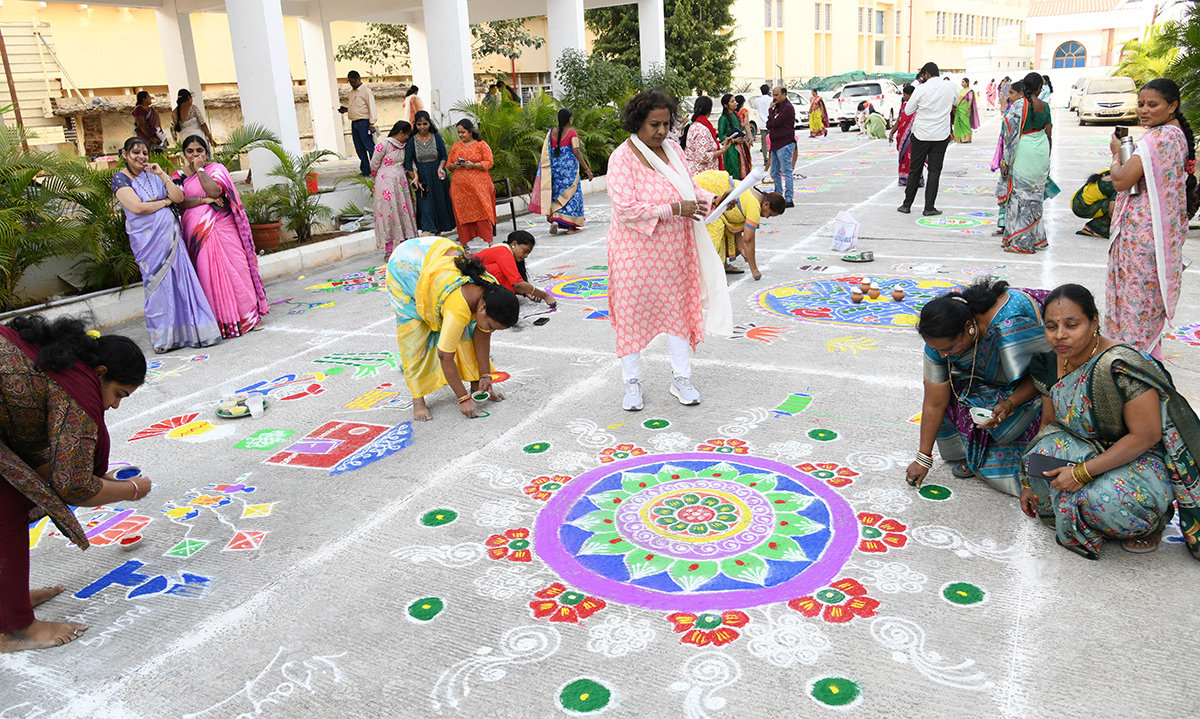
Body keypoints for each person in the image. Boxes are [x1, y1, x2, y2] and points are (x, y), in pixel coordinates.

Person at [0, 315, 150, 652]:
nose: (114, 404)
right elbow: (74, 488)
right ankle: (14, 628)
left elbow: (31, 451)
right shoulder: (76, 392)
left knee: (16, 491)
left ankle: (8, 604)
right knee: (6, 508)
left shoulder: (57, 363)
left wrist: (94, 478)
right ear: (99, 373)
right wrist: (132, 489)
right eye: (117, 393)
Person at [1020, 284, 1200, 560]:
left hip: (1137, 458)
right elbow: (1050, 424)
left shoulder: (1119, 365)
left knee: (1104, 502)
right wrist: (1029, 483)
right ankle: (1084, 509)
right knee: (1039, 459)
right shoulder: (1048, 363)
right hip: (1086, 447)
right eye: (1051, 326)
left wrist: (1082, 473)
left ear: (1094, 323)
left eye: (1071, 324)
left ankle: (1151, 523)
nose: (1060, 335)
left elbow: (1146, 436)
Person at [606, 89, 733, 411]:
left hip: (675, 251)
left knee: (678, 314)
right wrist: (674, 208)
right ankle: (631, 383)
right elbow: (626, 209)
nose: (661, 131)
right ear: (637, 123)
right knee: (632, 316)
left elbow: (689, 185)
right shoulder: (622, 157)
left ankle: (682, 378)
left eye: (666, 124)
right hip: (634, 252)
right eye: (654, 125)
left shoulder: (673, 149)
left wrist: (707, 199)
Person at [906, 278, 1050, 497]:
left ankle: (1022, 470)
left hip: (1042, 375)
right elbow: (935, 402)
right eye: (938, 349)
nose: (944, 354)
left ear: (968, 328)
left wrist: (1010, 403)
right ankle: (975, 455)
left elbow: (1045, 373)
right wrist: (923, 458)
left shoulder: (1008, 325)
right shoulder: (938, 346)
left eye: (950, 348)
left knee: (1034, 416)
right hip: (1000, 381)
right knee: (956, 393)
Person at [1106, 77, 1198, 359]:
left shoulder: (1159, 138)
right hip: (1152, 234)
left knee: (1136, 305)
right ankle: (1140, 361)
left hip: (1143, 236)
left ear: (1172, 106)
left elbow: (1121, 180)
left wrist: (1115, 155)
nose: (1144, 110)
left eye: (1153, 104)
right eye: (1141, 104)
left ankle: (1135, 367)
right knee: (1144, 304)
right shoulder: (1175, 134)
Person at [386, 237, 519, 422]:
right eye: (491, 326)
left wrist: (485, 375)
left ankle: (476, 385)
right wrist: (462, 399)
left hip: (436, 254)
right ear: (482, 308)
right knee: (415, 336)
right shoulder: (458, 307)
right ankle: (418, 399)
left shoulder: (491, 290)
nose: (490, 331)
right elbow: (444, 356)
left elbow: (481, 335)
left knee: (471, 328)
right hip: (407, 266)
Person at [112, 137, 221, 353]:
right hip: (148, 245)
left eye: (144, 152)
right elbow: (137, 207)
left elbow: (178, 196)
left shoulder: (153, 175)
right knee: (157, 288)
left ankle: (196, 333)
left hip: (172, 241)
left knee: (183, 282)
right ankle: (164, 339)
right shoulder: (120, 179)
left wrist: (161, 174)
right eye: (136, 153)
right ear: (124, 155)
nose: (141, 157)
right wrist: (164, 203)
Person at [173, 136, 269, 339]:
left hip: (223, 228)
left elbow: (215, 190)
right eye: (190, 151)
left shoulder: (216, 170)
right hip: (198, 235)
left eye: (199, 150)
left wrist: (200, 170)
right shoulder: (179, 176)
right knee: (209, 276)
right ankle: (224, 323)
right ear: (184, 154)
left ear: (206, 153)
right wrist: (204, 200)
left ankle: (249, 317)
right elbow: (180, 201)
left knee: (238, 269)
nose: (195, 154)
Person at [694, 170, 785, 280]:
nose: (767, 217)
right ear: (766, 204)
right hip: (707, 189)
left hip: (707, 181)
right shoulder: (755, 207)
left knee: (721, 227)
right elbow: (748, 239)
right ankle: (705, 272)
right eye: (769, 214)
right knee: (715, 234)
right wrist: (754, 270)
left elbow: (736, 221)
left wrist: (742, 248)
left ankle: (721, 266)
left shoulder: (757, 194)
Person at [998, 72, 1053, 254]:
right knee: (1035, 198)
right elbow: (1049, 134)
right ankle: (1036, 239)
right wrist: (1047, 159)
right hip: (1041, 150)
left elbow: (1008, 133)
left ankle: (1019, 242)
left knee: (1018, 198)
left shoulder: (1019, 105)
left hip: (1023, 151)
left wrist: (1005, 161)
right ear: (1039, 88)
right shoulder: (1045, 106)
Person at [898, 62, 958, 216]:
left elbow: (909, 109)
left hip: (921, 134)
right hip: (941, 135)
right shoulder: (950, 87)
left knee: (915, 170)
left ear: (926, 74)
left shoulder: (921, 89)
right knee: (934, 172)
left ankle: (907, 205)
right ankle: (929, 207)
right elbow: (954, 102)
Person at [530, 108, 593, 234]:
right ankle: (571, 227)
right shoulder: (572, 134)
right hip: (569, 174)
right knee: (572, 197)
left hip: (555, 173)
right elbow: (576, 151)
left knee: (557, 198)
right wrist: (587, 169)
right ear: (569, 120)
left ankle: (555, 221)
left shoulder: (551, 133)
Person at [370, 120, 419, 258]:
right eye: (407, 135)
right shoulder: (383, 145)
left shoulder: (405, 146)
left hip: (401, 183)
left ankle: (405, 246)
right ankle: (388, 249)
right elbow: (374, 164)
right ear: (401, 132)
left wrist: (414, 177)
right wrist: (380, 180)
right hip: (385, 184)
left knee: (403, 213)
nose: (408, 138)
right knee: (388, 214)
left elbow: (411, 163)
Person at [446, 118, 497, 246]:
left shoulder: (481, 145)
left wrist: (473, 165)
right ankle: (464, 242)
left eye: (463, 132)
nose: (460, 135)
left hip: (479, 186)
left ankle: (489, 241)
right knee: (462, 213)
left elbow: (489, 162)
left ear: (470, 131)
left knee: (483, 211)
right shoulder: (456, 146)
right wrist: (455, 165)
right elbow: (448, 164)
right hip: (459, 187)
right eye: (459, 132)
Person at [405, 111, 455, 235]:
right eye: (419, 124)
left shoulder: (436, 137)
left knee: (440, 206)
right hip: (422, 181)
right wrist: (415, 179)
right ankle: (426, 238)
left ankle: (437, 239)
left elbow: (444, 156)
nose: (422, 127)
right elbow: (407, 163)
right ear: (415, 125)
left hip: (438, 178)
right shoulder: (412, 140)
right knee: (426, 210)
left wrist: (440, 168)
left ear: (429, 123)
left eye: (425, 124)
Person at [475, 231, 557, 306]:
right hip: (471, 285)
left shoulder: (505, 251)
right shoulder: (504, 252)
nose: (526, 256)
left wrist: (524, 292)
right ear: (514, 244)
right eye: (525, 251)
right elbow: (518, 284)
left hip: (475, 285)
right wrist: (545, 296)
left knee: (505, 272)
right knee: (498, 269)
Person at [991, 81, 1023, 237]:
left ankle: (1011, 226)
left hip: (1016, 155)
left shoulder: (1018, 112)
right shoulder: (1018, 110)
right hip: (1020, 154)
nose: (1008, 97)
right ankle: (1008, 225)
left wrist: (1005, 162)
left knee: (1012, 190)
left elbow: (1011, 139)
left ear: (1021, 94)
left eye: (1011, 93)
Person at [340, 71, 377, 177]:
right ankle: (365, 169)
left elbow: (372, 107)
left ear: (359, 79)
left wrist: (372, 124)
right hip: (354, 122)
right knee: (359, 148)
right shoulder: (352, 93)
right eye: (350, 82)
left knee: (369, 147)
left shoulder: (366, 91)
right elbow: (357, 107)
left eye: (353, 82)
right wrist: (346, 110)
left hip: (364, 122)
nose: (352, 84)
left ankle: (375, 169)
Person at [681, 96, 727, 176]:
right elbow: (702, 157)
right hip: (702, 174)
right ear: (710, 111)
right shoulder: (702, 130)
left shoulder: (693, 125)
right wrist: (722, 151)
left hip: (694, 171)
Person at [767, 86, 797, 208]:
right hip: (775, 144)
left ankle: (789, 199)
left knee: (786, 171)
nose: (775, 98)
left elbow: (775, 123)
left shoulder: (787, 108)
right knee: (774, 171)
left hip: (784, 144)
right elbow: (769, 124)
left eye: (777, 95)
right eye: (773, 95)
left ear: (784, 94)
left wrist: (770, 111)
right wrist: (771, 112)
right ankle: (778, 196)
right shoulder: (777, 108)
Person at [889, 84, 923, 187]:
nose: (903, 96)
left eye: (905, 94)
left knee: (912, 159)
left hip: (913, 137)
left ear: (911, 95)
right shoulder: (904, 106)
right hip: (902, 137)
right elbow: (899, 120)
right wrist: (892, 132)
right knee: (904, 158)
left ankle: (915, 180)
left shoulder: (918, 107)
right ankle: (904, 178)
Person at [1071, 170, 1117, 238]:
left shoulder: (1113, 172)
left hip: (1077, 200)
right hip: (1082, 208)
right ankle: (1096, 228)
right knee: (1119, 203)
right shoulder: (1119, 184)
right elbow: (1111, 211)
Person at [718, 94, 751, 180]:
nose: (735, 103)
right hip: (731, 149)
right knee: (734, 172)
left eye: (735, 101)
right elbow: (721, 135)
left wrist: (743, 132)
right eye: (732, 101)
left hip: (741, 146)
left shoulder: (737, 115)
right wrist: (733, 140)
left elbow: (742, 126)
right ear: (726, 105)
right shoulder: (723, 119)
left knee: (743, 172)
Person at [952, 77, 981, 143]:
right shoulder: (962, 90)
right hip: (959, 107)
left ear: (967, 83)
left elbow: (970, 99)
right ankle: (961, 138)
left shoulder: (969, 91)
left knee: (965, 123)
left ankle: (967, 138)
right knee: (958, 122)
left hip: (965, 108)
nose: (962, 83)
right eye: (962, 82)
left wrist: (968, 108)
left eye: (963, 82)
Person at [753, 84, 773, 160]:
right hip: (771, 123)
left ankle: (765, 158)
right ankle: (772, 157)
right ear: (768, 91)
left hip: (762, 124)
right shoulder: (771, 99)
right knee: (772, 141)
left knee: (764, 143)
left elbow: (754, 107)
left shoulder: (757, 100)